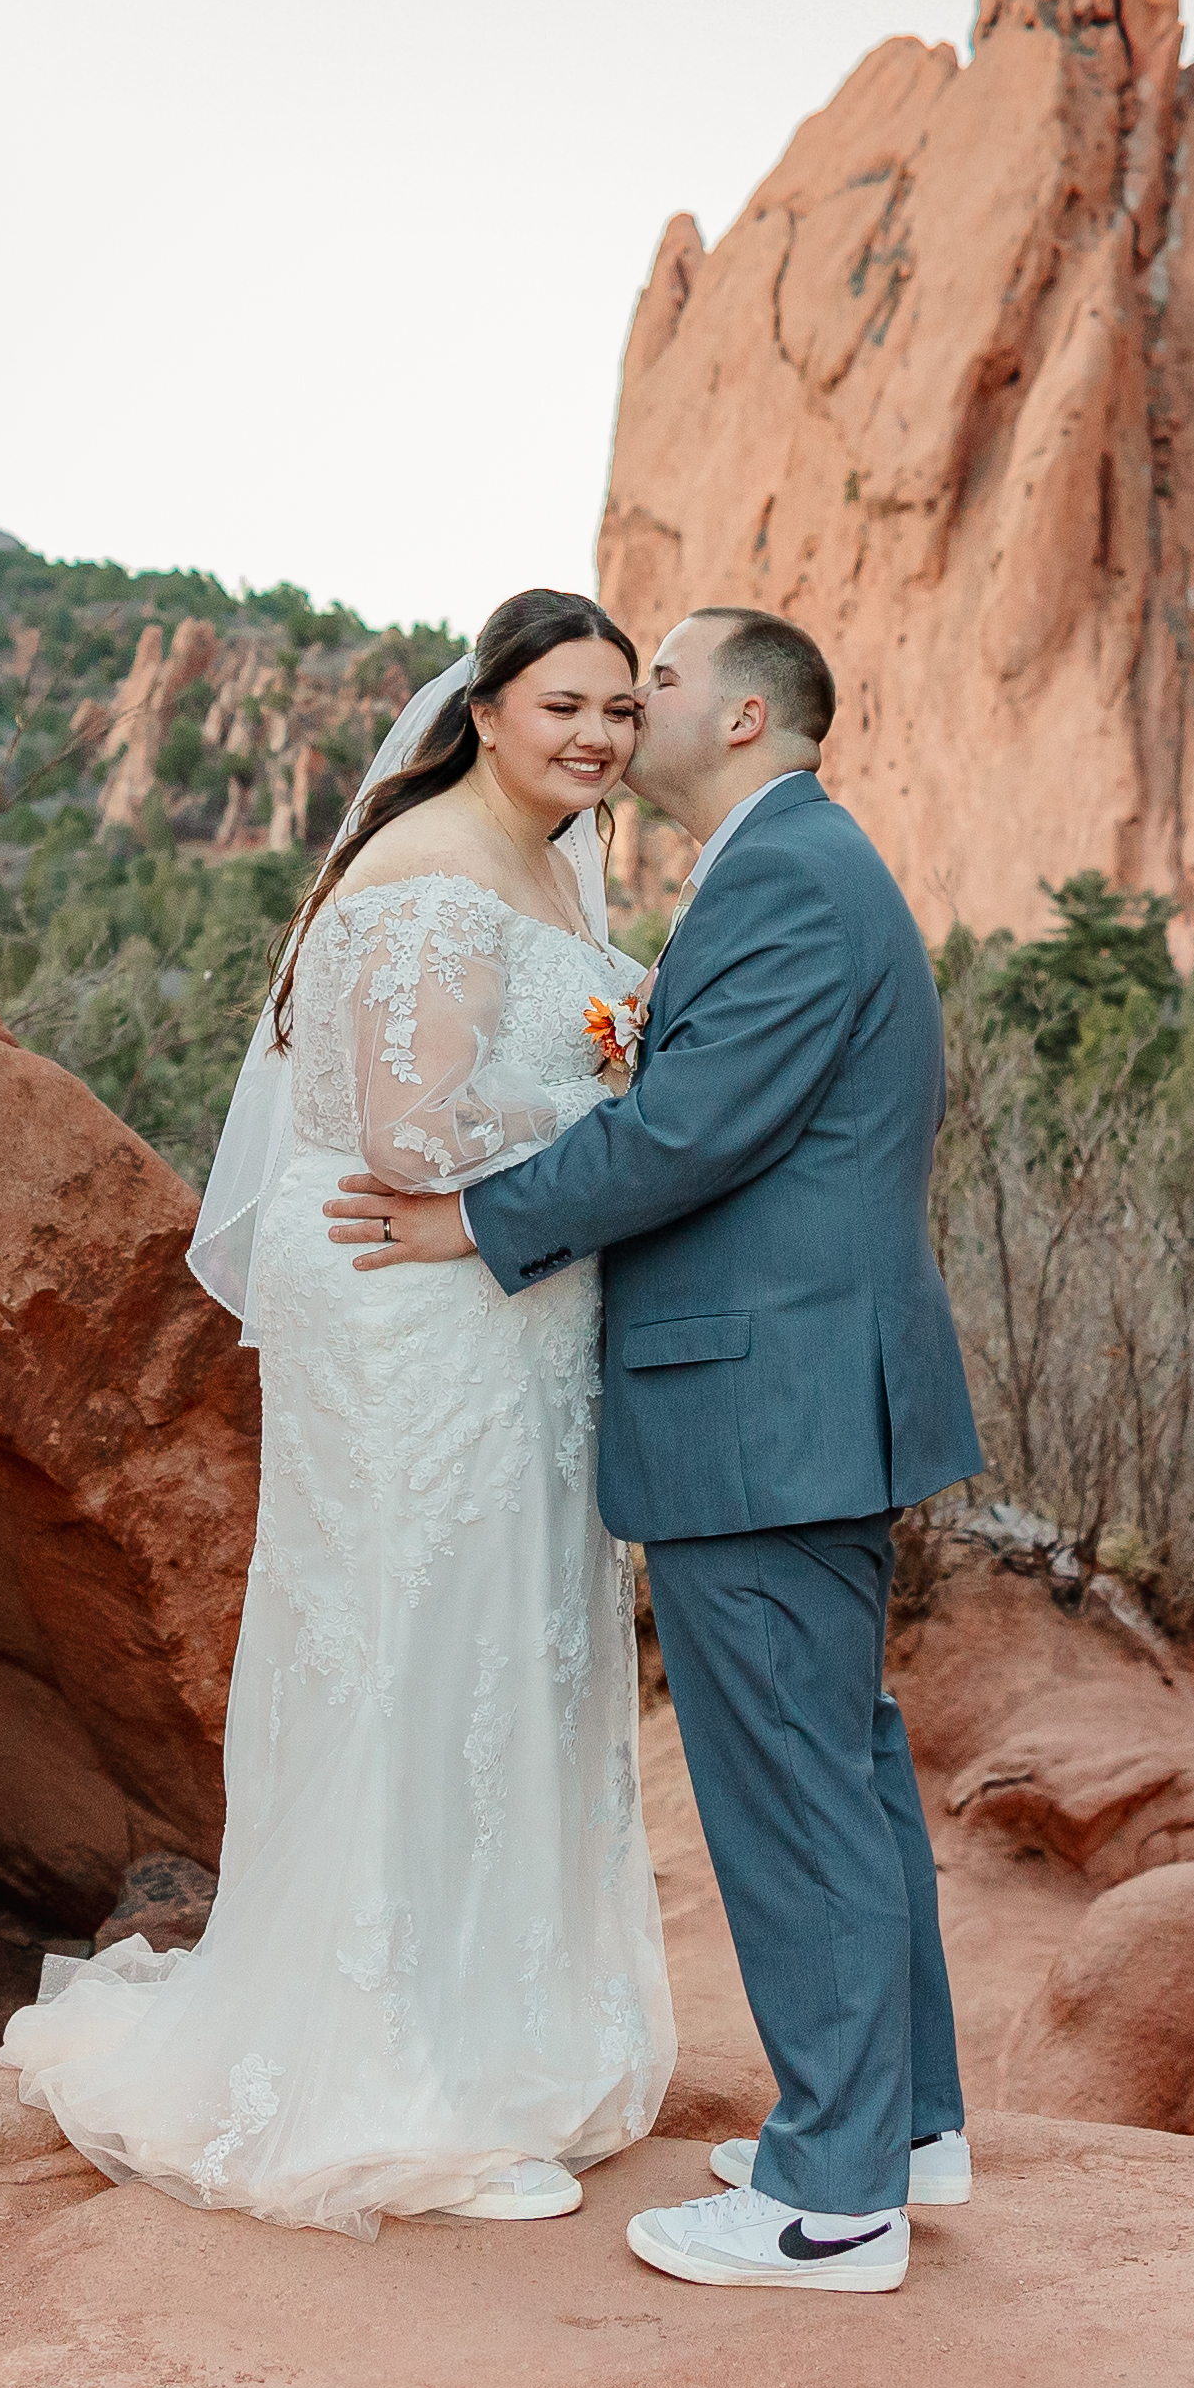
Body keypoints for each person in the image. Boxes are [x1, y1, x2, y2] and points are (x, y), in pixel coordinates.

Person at [0, 588, 676, 2233]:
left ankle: (493, 2032)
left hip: (508, 1303)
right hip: (410, 1300)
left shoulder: (547, 863)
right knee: (409, 1634)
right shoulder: (436, 868)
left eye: (618, 713)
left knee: (509, 1638)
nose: (593, 736)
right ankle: (384, 2080)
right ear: (490, 707)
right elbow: (411, 1130)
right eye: (564, 706)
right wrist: (625, 1083)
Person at [325, 604, 980, 2297]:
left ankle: (834, 2203)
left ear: (745, 720)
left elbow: (689, 1130)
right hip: (805, 1387)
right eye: (596, 696)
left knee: (789, 1783)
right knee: (837, 1758)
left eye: (658, 687)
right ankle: (901, 2130)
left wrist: (476, 1220)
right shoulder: (803, 867)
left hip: (760, 1399)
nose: (631, 718)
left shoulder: (779, 880)